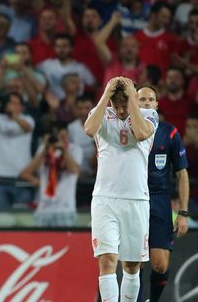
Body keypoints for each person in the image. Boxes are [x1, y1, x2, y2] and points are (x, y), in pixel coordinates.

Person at [84, 77, 157, 302]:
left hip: (136, 199)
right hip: (105, 199)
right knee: (107, 260)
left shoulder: (149, 115)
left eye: (125, 103)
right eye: (117, 104)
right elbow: (89, 130)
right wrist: (106, 95)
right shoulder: (101, 114)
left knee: (132, 265)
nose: (121, 109)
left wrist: (132, 98)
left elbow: (142, 134)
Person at [137, 86, 190, 302]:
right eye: (142, 100)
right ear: (135, 103)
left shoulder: (169, 132)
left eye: (151, 99)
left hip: (159, 200)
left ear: (157, 104)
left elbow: (182, 174)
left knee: (160, 264)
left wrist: (183, 213)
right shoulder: (126, 132)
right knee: (135, 263)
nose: (147, 103)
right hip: (134, 200)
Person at [20, 123, 82, 227]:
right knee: (42, 243)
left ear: (68, 135)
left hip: (65, 209)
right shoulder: (44, 150)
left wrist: (64, 150)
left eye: (64, 136)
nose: (62, 139)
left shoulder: (75, 149)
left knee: (65, 243)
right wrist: (44, 149)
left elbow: (75, 170)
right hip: (44, 209)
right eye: (59, 136)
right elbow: (27, 172)